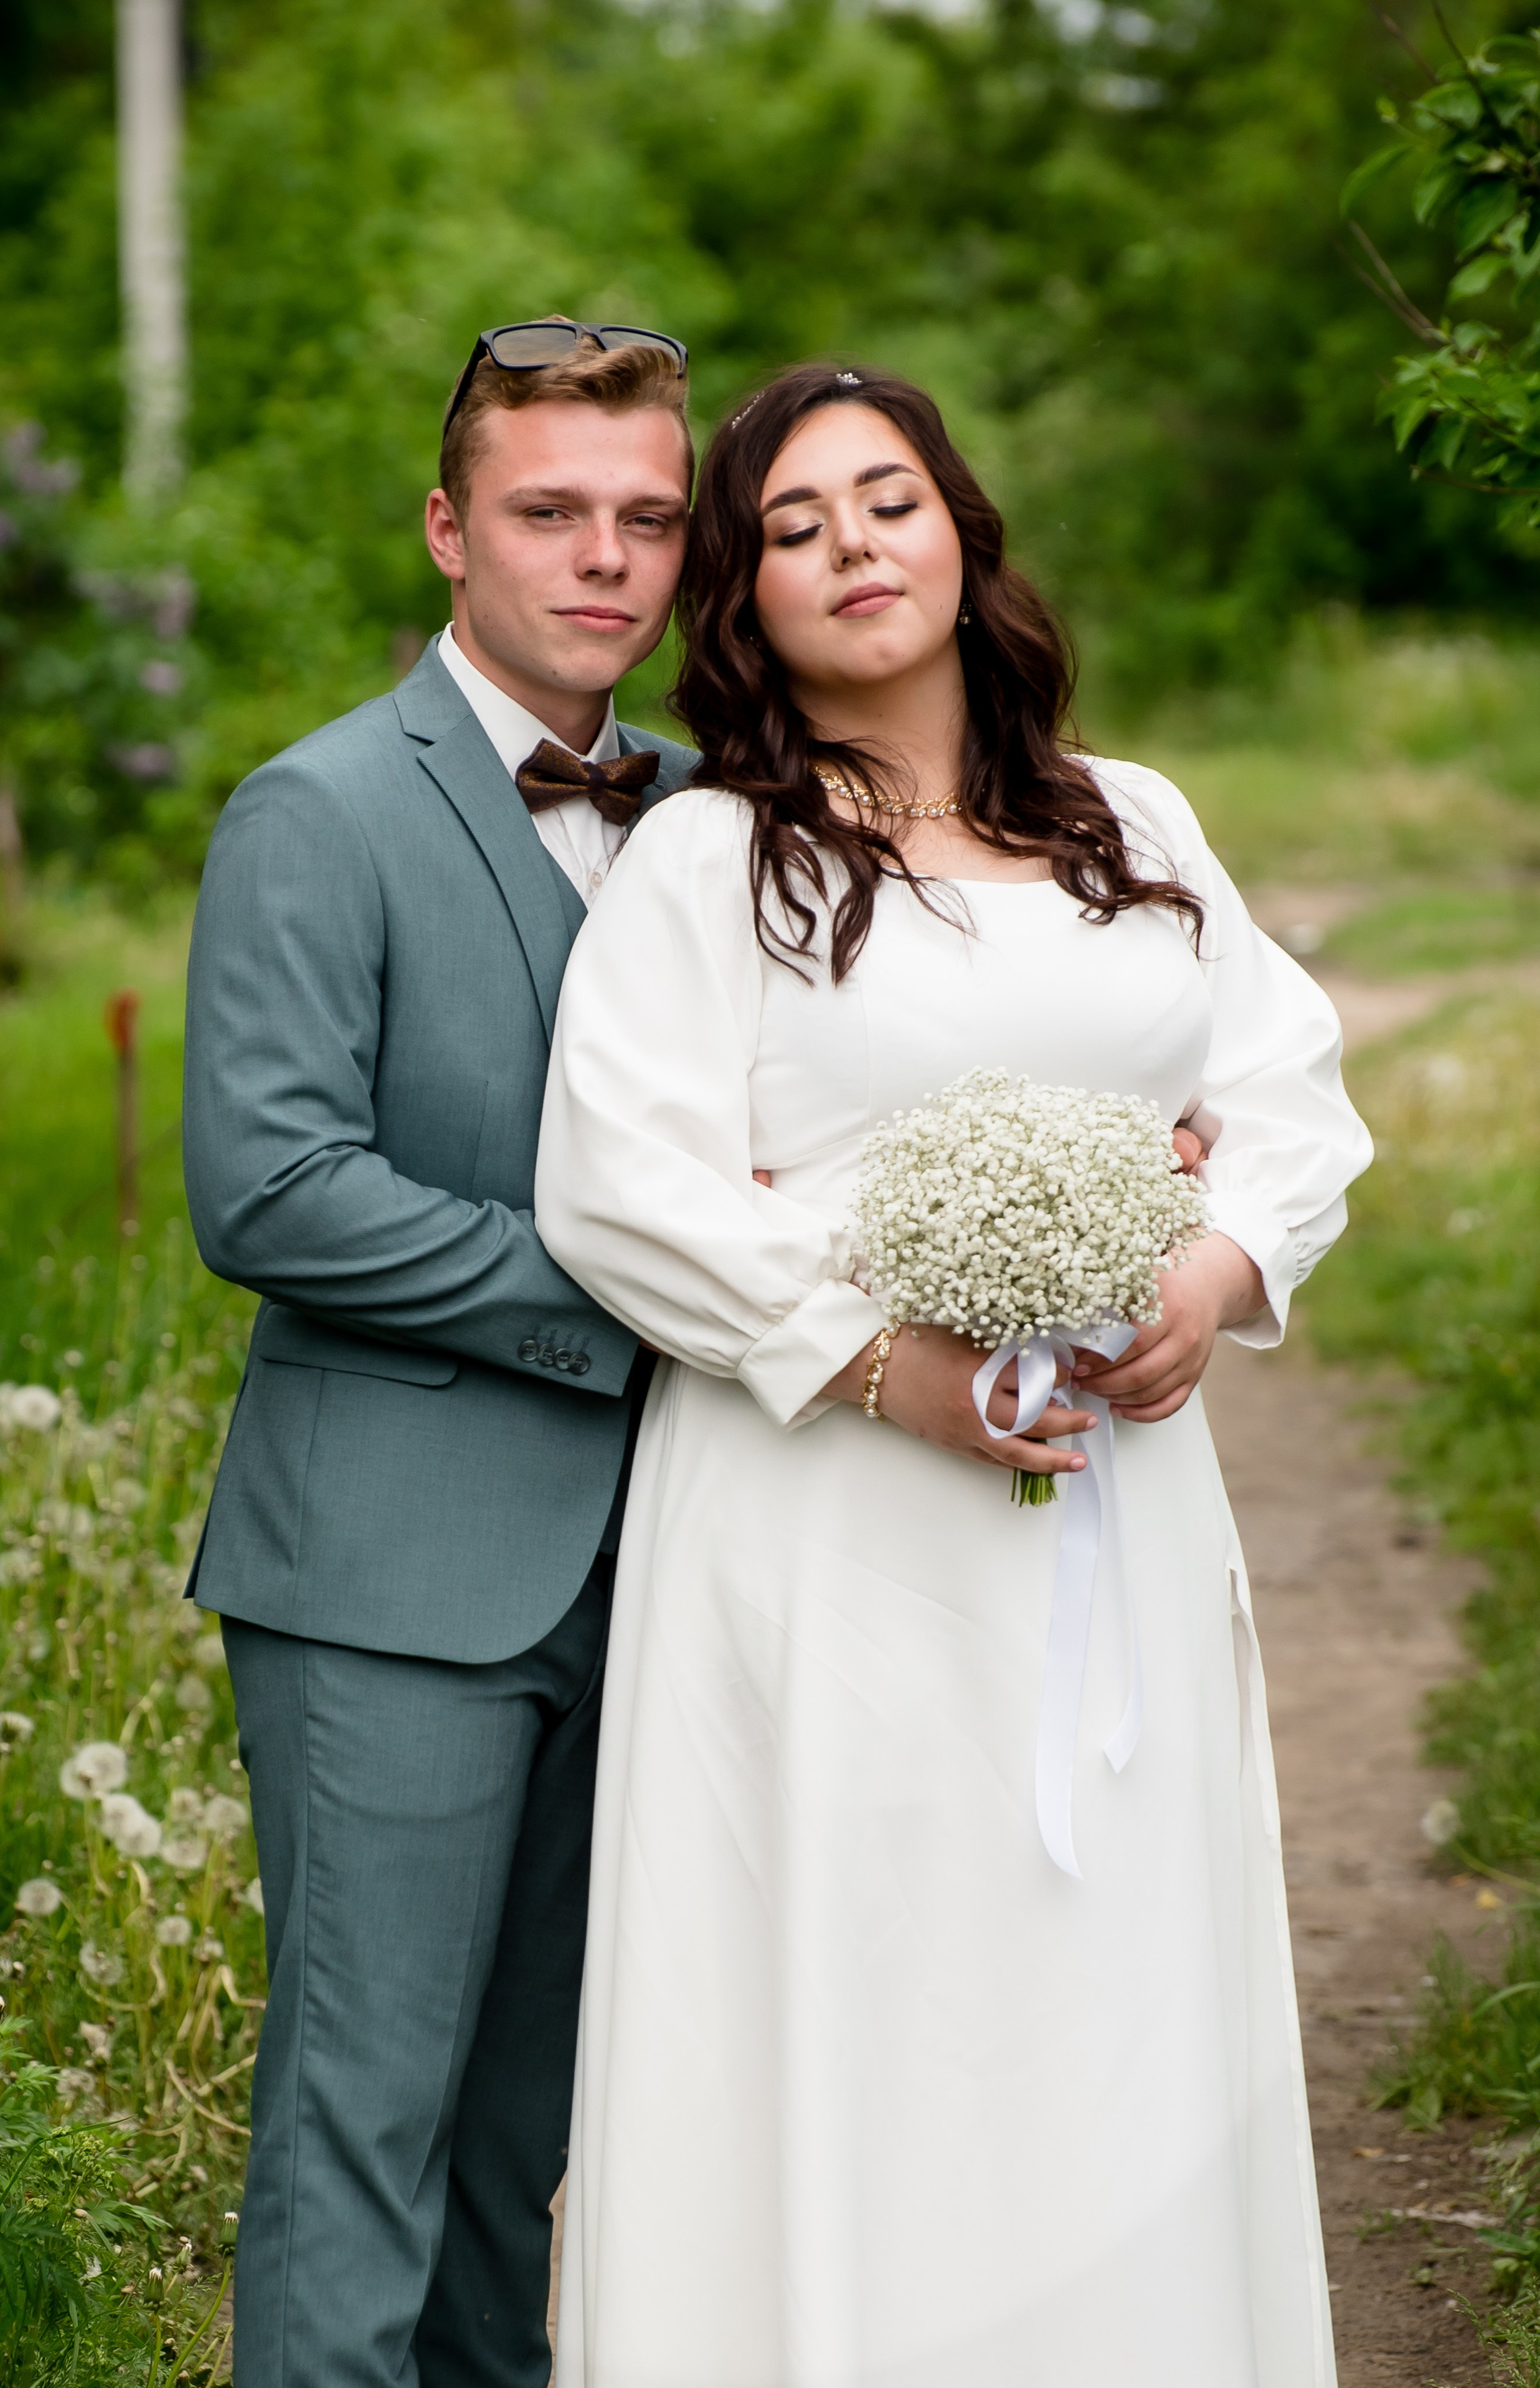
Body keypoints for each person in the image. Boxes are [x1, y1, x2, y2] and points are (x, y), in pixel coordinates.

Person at [535, 361, 1372, 2387]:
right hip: (828, 1525)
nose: (851, 548)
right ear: (744, 601)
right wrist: (864, 1355)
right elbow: (616, 1185)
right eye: (794, 527)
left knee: (1110, 1990)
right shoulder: (711, 858)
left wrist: (1221, 1253)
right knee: (867, 1993)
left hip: (1115, 1506)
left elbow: (1287, 1085)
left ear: (961, 532)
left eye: (885, 498)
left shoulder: (1132, 819)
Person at [181, 320, 696, 2388]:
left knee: (529, 2150)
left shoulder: (711, 820)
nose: (606, 561)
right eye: (550, 513)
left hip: (661, 1569)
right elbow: (276, 1190)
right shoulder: (315, 809)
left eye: (649, 519)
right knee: (361, 2123)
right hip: (391, 1577)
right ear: (446, 530)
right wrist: (640, 1291)